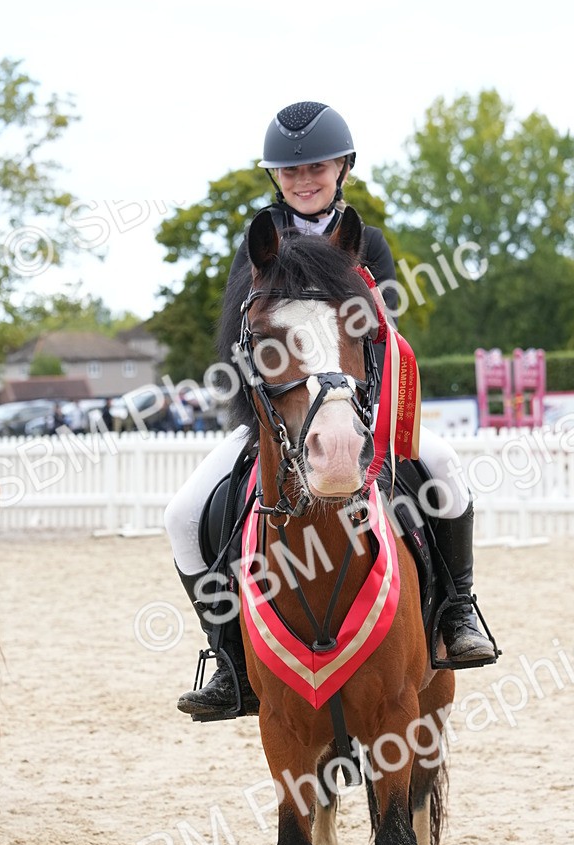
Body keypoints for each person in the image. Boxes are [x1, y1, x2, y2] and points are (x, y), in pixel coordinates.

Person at [165, 101, 496, 720]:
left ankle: (457, 610)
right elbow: (240, 343)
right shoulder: (259, 242)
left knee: (445, 470)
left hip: (358, 413)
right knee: (183, 514)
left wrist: (367, 408)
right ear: (276, 179)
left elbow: (383, 336)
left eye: (315, 167)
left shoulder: (367, 243)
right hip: (281, 422)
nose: (303, 180)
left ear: (342, 166)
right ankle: (229, 657)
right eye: (290, 172)